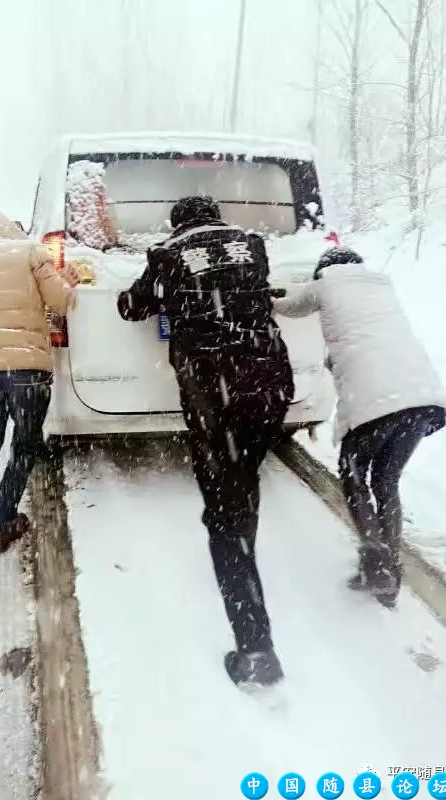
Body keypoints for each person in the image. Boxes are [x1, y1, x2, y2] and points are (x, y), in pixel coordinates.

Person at [116, 196, 294, 687]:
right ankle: (243, 540)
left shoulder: (169, 255)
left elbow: (131, 307)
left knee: (224, 509)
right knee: (243, 478)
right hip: (271, 384)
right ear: (215, 217)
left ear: (178, 223)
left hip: (217, 393)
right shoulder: (251, 245)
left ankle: (256, 651)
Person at [272, 246, 446, 607]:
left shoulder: (325, 286)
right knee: (386, 481)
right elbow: (368, 334)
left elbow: (292, 305)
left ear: (325, 270)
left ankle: (377, 564)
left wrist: (270, 296)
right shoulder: (381, 285)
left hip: (376, 400)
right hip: (421, 398)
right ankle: (390, 568)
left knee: (353, 477)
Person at [0, 209, 76, 602]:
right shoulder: (29, 251)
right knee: (25, 445)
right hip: (29, 372)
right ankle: (2, 521)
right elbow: (60, 302)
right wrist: (68, 283)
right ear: (8, 227)